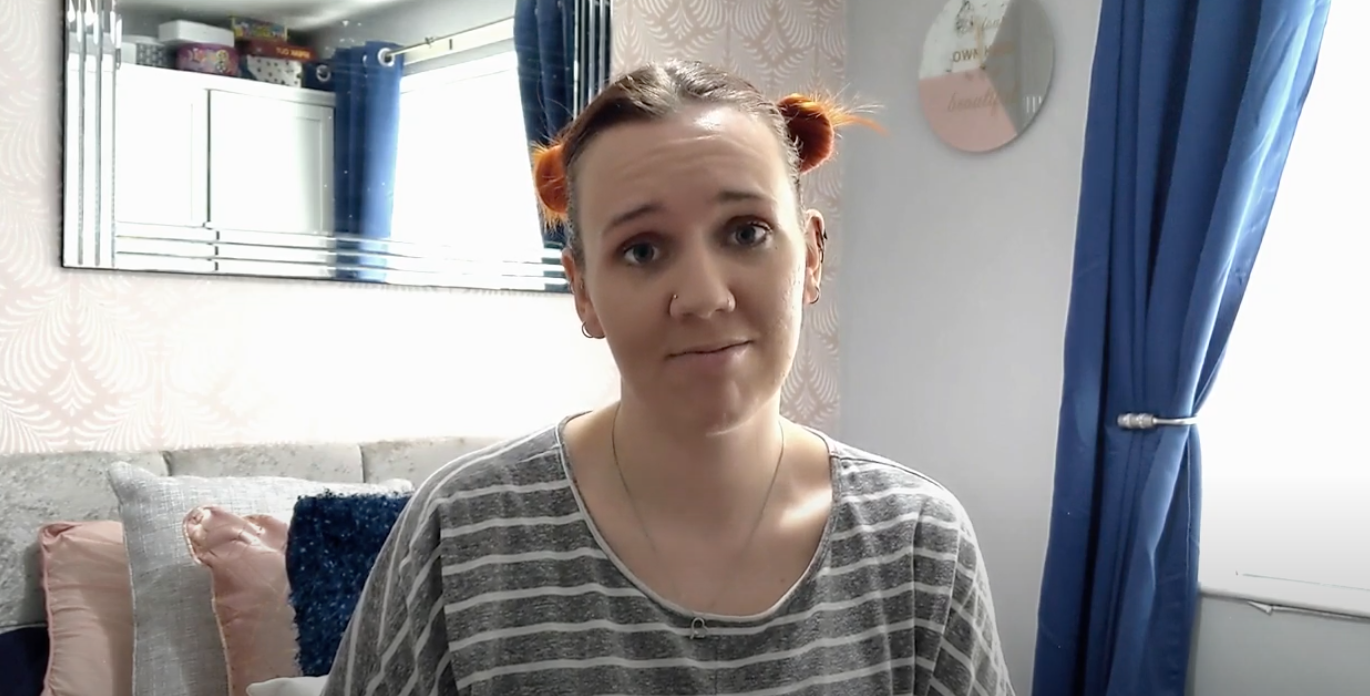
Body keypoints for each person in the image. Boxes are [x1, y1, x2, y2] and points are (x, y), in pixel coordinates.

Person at [320, 59, 1015, 696]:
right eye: (643, 249)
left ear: (809, 255)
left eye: (745, 232)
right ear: (584, 291)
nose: (704, 296)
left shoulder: (918, 540)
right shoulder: (462, 531)